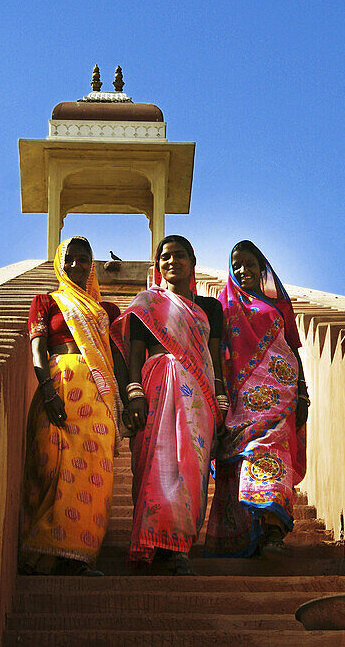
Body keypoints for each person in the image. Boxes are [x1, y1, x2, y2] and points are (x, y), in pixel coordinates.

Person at [110, 235, 226, 575]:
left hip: (198, 395)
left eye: (179, 256)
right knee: (155, 463)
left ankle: (178, 549)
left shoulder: (210, 308)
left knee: (189, 467)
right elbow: (134, 354)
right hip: (157, 384)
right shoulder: (147, 303)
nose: (171, 262)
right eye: (165, 257)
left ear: (192, 262)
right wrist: (133, 393)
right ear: (157, 266)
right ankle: (151, 542)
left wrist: (220, 400)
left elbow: (215, 358)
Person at [19, 236, 120, 576]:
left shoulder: (107, 311)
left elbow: (116, 360)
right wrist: (47, 391)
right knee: (52, 463)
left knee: (94, 470)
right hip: (60, 386)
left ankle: (77, 555)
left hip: (98, 397)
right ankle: (42, 551)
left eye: (84, 259)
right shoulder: (47, 301)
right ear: (59, 266)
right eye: (70, 260)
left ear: (92, 265)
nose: (77, 266)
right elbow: (37, 349)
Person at [205, 240, 308, 558]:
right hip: (239, 399)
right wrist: (218, 393)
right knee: (244, 455)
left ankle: (273, 531)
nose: (243, 270)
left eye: (250, 264)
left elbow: (292, 347)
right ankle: (249, 529)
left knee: (272, 451)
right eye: (236, 264)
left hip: (280, 393)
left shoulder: (276, 307)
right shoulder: (221, 306)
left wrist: (303, 391)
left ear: (262, 269)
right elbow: (212, 351)